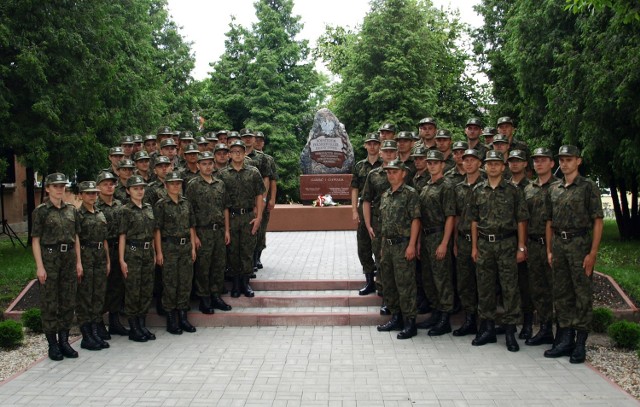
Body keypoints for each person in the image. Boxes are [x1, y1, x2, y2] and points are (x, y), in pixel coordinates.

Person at [544, 145, 603, 364]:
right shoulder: (555, 188)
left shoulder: (587, 187)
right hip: (559, 243)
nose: (564, 163)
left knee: (582, 294)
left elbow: (598, 220)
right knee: (562, 293)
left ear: (578, 161)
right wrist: (549, 249)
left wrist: (593, 253)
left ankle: (580, 343)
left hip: (580, 244)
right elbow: (549, 221)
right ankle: (565, 339)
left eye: (569, 159)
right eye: (561, 159)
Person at [470, 150, 529, 352]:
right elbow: (474, 221)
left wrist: (521, 247)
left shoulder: (513, 190)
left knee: (509, 289)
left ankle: (510, 332)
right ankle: (487, 329)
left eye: (496, 163)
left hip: (507, 244)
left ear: (503, 167)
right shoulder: (478, 190)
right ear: (484, 167)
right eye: (489, 164)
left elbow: (521, 220)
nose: (493, 167)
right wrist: (474, 247)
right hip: (485, 244)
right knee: (485, 288)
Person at [32, 173, 82, 361]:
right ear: (47, 188)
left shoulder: (71, 210)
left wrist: (78, 262)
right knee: (50, 301)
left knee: (68, 300)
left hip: (69, 258)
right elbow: (35, 241)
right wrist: (40, 267)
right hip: (50, 259)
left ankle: (64, 341)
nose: (60, 189)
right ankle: (52, 344)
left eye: (62, 186)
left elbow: (76, 237)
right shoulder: (41, 211)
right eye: (55, 186)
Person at [375, 160, 421, 339]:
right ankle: (396, 317)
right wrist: (382, 247)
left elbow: (415, 220)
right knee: (389, 283)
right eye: (388, 172)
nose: (390, 175)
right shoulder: (386, 195)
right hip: (387, 246)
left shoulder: (410, 194)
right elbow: (383, 223)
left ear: (403, 173)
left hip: (403, 244)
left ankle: (410, 323)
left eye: (394, 172)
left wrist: (411, 244)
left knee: (405, 285)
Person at [217, 140, 265, 297]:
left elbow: (259, 195)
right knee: (233, 252)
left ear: (245, 153)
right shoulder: (222, 175)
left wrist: (258, 218)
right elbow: (223, 202)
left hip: (248, 217)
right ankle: (236, 285)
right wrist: (226, 226)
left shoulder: (253, 172)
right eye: (234, 151)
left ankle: (246, 284)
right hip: (231, 217)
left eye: (240, 151)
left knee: (246, 251)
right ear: (229, 154)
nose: (237, 154)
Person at [186, 151, 232, 313]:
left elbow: (225, 208)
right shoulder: (193, 185)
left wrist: (226, 230)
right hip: (202, 232)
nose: (207, 166)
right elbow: (189, 213)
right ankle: (204, 298)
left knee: (218, 265)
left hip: (218, 231)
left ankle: (215, 295)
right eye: (204, 164)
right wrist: (194, 236)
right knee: (203, 267)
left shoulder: (220, 184)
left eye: (209, 163)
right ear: (198, 166)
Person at [416, 150, 456, 336]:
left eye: (435, 162)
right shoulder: (425, 186)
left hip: (439, 235)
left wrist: (444, 243)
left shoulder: (446, 186)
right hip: (425, 237)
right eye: (429, 162)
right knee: (429, 278)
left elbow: (450, 217)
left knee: (442, 278)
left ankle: (445, 318)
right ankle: (436, 313)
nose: (431, 165)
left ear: (442, 165)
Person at [154, 171, 198, 335]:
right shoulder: (161, 204)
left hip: (185, 246)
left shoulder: (186, 203)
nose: (176, 186)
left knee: (185, 282)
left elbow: (191, 226)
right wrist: (158, 252)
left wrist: (193, 247)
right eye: (172, 183)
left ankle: (183, 316)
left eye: (178, 183)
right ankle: (171, 319)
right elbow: (157, 230)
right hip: (169, 248)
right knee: (170, 283)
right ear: (166, 186)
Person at [523, 147, 557, 346]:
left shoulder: (560, 187)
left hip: (555, 244)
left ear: (552, 163)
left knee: (557, 289)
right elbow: (524, 219)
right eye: (536, 160)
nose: (539, 163)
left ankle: (562, 331)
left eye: (543, 160)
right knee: (538, 289)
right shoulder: (528, 188)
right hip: (534, 244)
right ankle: (545, 329)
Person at [118, 175, 156, 342]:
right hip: (132, 253)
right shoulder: (126, 210)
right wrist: (121, 260)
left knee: (146, 290)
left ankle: (142, 325)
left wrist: (154, 252)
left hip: (147, 252)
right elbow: (122, 236)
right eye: (135, 188)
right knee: (133, 291)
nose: (140, 191)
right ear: (128, 191)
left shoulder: (148, 208)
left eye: (141, 188)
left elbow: (152, 233)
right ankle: (134, 327)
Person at [362, 140, 398, 314]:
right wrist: (368, 224)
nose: (389, 154)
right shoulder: (373, 174)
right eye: (386, 151)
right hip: (378, 223)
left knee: (396, 264)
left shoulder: (403, 172)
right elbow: (366, 200)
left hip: (399, 225)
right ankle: (385, 298)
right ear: (381, 153)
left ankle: (397, 299)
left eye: (392, 151)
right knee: (381, 262)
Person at [451, 149, 484, 336]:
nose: (469, 163)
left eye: (473, 160)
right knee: (465, 282)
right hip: (463, 240)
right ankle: (470, 319)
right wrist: (455, 241)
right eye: (466, 160)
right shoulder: (458, 188)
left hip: (484, 241)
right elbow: (455, 217)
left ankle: (486, 322)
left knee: (484, 282)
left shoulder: (487, 185)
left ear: (480, 163)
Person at [76, 181, 110, 351]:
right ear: (81, 195)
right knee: (85, 297)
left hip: (99, 257)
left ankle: (95, 331)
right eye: (88, 193)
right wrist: (78, 263)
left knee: (98, 295)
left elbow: (104, 239)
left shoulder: (99, 213)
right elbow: (75, 239)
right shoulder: (78, 215)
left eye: (94, 193)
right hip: (86, 256)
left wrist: (108, 260)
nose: (92, 196)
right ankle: (86, 335)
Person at [95, 171, 129, 337]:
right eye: (105, 184)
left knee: (117, 286)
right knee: (102, 287)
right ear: (98, 186)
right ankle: (99, 322)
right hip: (101, 251)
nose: (109, 187)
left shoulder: (120, 205)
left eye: (112, 184)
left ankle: (115, 321)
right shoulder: (95, 207)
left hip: (119, 248)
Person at [507, 150, 534, 340]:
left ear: (525, 164)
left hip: (527, 241)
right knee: (509, 285)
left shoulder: (531, 187)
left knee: (525, 285)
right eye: (512, 161)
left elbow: (524, 219)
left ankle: (527, 323)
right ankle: (509, 323)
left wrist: (522, 246)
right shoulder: (506, 187)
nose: (515, 164)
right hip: (506, 242)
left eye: (518, 161)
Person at [351, 133, 382, 296]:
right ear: (365, 145)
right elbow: (355, 188)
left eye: (375, 143)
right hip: (364, 211)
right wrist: (354, 210)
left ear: (379, 145)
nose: (372, 146)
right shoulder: (359, 166)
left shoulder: (385, 164)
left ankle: (382, 283)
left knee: (380, 248)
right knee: (363, 247)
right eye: (369, 143)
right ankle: (369, 281)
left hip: (380, 212)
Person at [254, 131, 278, 270]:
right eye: (256, 139)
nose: (258, 142)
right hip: (250, 201)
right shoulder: (245, 157)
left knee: (261, 229)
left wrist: (272, 199)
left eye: (260, 140)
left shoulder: (268, 159)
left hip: (264, 199)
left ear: (263, 142)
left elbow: (273, 181)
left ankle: (257, 256)